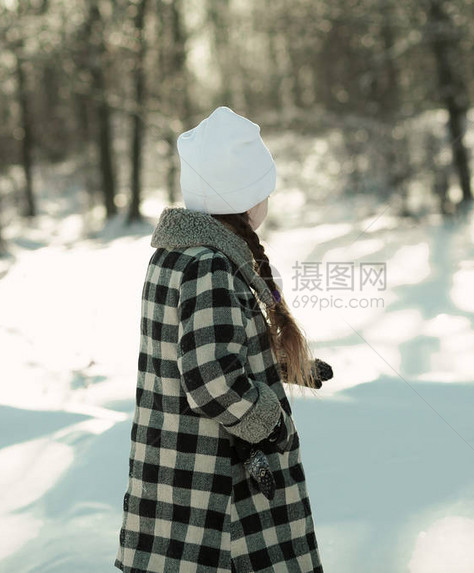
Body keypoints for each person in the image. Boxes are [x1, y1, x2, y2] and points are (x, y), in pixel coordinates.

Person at [114, 106, 333, 573]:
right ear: (247, 198)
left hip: (182, 485)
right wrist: (267, 423)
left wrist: (288, 368)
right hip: (217, 499)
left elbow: (205, 351)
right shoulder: (209, 266)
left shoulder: (177, 257)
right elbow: (211, 379)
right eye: (265, 191)